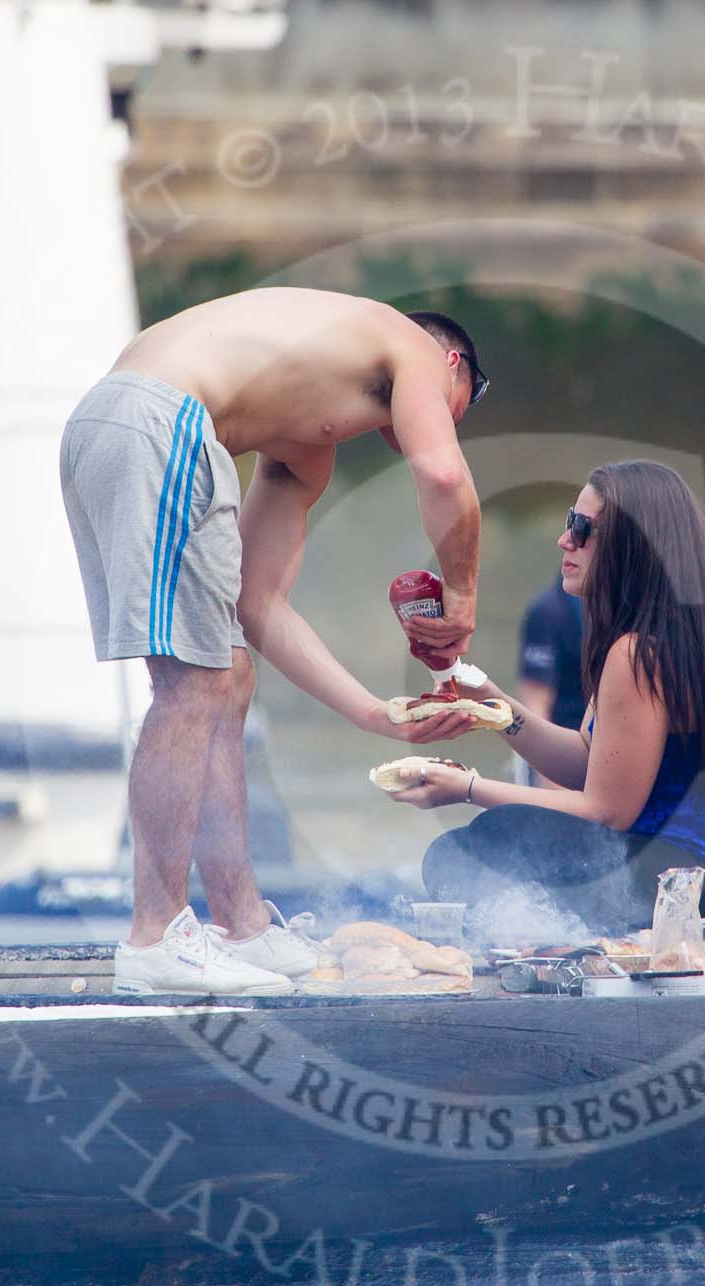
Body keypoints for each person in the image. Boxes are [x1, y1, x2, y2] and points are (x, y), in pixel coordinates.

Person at [60, 287, 487, 994]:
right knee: (191, 683)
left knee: (228, 669)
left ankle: (242, 924)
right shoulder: (408, 343)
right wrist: (463, 597)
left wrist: (376, 713)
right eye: (470, 393)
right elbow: (443, 474)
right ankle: (155, 933)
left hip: (118, 422)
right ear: (452, 363)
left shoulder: (303, 441)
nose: (458, 418)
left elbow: (258, 606)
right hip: (159, 417)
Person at [381, 460, 705, 957]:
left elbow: (606, 811)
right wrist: (491, 704)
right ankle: (549, 945)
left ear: (630, 548)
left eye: (581, 528)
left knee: (476, 848)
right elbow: (588, 761)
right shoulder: (672, 635)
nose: (564, 540)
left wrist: (468, 788)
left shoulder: (640, 653)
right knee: (476, 849)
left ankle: (545, 951)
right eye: (567, 521)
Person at [515, 569, 586, 786]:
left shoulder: (626, 607)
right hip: (558, 748)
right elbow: (535, 703)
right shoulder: (548, 611)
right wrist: (551, 785)